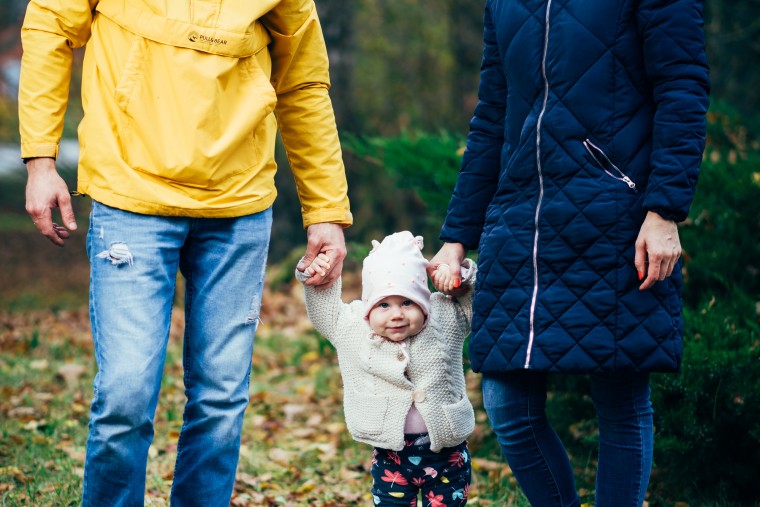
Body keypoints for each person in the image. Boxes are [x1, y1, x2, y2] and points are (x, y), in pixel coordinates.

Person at [18, 1, 352, 505]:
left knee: (220, 399)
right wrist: (40, 160)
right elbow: (49, 26)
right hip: (130, 192)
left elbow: (303, 83)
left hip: (240, 203)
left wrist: (325, 209)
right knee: (125, 398)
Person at [427, 1, 710, 506]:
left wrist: (665, 210)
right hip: (519, 220)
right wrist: (457, 235)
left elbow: (682, 87)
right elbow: (493, 114)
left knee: (620, 398)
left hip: (617, 216)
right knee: (509, 405)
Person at [296, 231, 475, 506]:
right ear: (369, 308)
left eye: (407, 302)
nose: (396, 314)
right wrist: (318, 274)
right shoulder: (354, 327)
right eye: (383, 304)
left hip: (448, 455)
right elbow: (325, 312)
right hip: (391, 457)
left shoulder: (444, 316)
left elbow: (475, 309)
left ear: (424, 302)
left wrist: (462, 282)